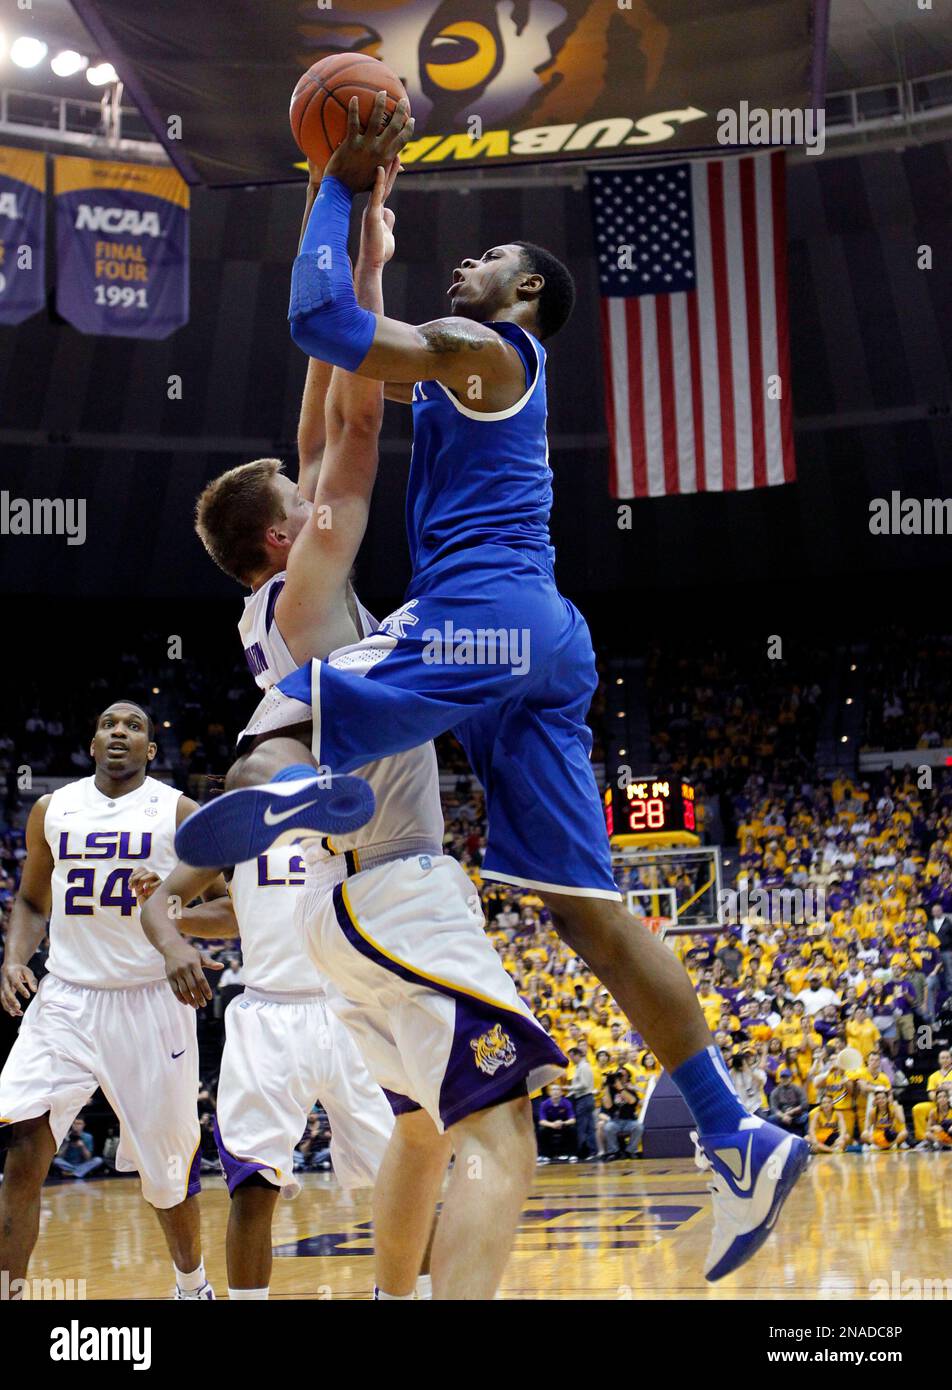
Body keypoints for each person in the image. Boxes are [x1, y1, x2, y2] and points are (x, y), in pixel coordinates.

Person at [177, 93, 808, 1284]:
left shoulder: (486, 352)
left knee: (304, 703)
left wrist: (337, 183)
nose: (471, 260)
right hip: (535, 645)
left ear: (525, 297)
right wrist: (364, 222)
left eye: (493, 257)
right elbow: (339, 394)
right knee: (582, 906)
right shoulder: (462, 372)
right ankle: (732, 1128)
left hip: (484, 624)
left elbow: (326, 331)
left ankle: (300, 789)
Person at [184, 166, 566, 1301]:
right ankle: (298, 770)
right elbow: (349, 423)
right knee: (503, 1138)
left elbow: (321, 416)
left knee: (418, 1130)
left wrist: (369, 256)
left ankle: (397, 1302)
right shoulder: (311, 581)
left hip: (325, 930)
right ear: (278, 539)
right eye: (297, 504)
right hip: (397, 886)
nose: (317, 497)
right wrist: (346, 211)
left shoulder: (274, 605)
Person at [0, 702, 222, 1299]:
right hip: (67, 998)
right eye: (108, 724)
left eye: (135, 727)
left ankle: (192, 1284)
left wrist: (179, 928)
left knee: (169, 1175)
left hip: (151, 1001)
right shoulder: (53, 808)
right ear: (92, 742)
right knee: (23, 1146)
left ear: (152, 750)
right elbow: (30, 901)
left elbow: (228, 906)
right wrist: (15, 958)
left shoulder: (181, 812)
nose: (119, 732)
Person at [139, 844, 411, 1302]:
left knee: (406, 1176)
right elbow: (237, 912)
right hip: (269, 1010)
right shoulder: (236, 825)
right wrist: (179, 915)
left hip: (353, 1007)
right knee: (254, 1184)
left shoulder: (349, 806)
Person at [564, 1045, 597, 1159]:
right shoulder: (580, 1067)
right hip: (585, 1098)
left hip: (584, 1099)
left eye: (572, 1056)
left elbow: (584, 1085)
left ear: (577, 1055)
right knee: (589, 1126)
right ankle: (592, 1151)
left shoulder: (583, 1067)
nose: (571, 1059)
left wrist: (569, 1088)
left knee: (583, 1127)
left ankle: (583, 1152)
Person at [537, 1084, 577, 1163]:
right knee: (541, 1130)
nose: (555, 1092)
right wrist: (552, 1125)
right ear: (550, 1093)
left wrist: (563, 1123)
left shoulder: (567, 1103)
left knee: (573, 1129)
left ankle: (571, 1154)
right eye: (553, 1090)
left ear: (561, 1093)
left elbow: (572, 1119)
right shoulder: (544, 1104)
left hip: (563, 1124)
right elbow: (541, 1121)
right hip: (550, 1125)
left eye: (557, 1089)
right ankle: (544, 1155)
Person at [768, 1068, 809, 1136]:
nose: (785, 1079)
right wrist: (783, 1116)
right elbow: (773, 1108)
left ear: (791, 1078)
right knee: (770, 1119)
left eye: (787, 1077)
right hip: (782, 1116)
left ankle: (807, 1138)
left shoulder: (797, 1088)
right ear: (780, 1079)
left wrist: (791, 1112)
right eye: (783, 1078)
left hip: (796, 1115)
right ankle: (776, 1138)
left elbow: (805, 1104)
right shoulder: (775, 1091)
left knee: (806, 1116)